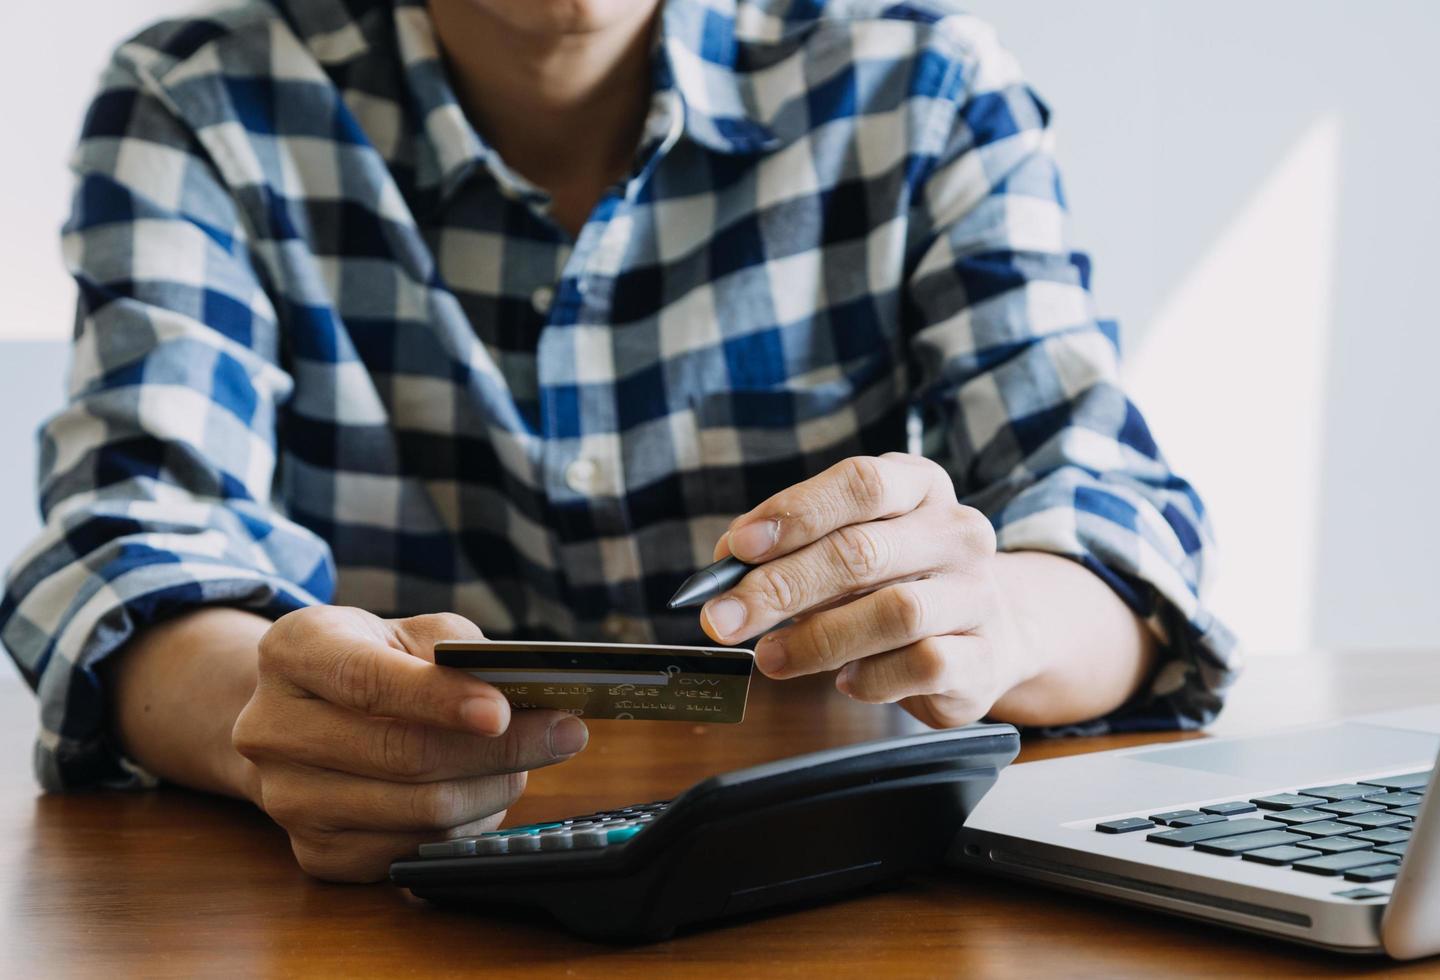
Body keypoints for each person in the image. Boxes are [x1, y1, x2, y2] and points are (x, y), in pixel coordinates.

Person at [0, 0, 1235, 881]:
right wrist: (260, 711)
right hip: (389, 912)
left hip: (821, 885)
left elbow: (1112, 527)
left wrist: (996, 617)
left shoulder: (922, 84)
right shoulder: (200, 94)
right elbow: (134, 542)